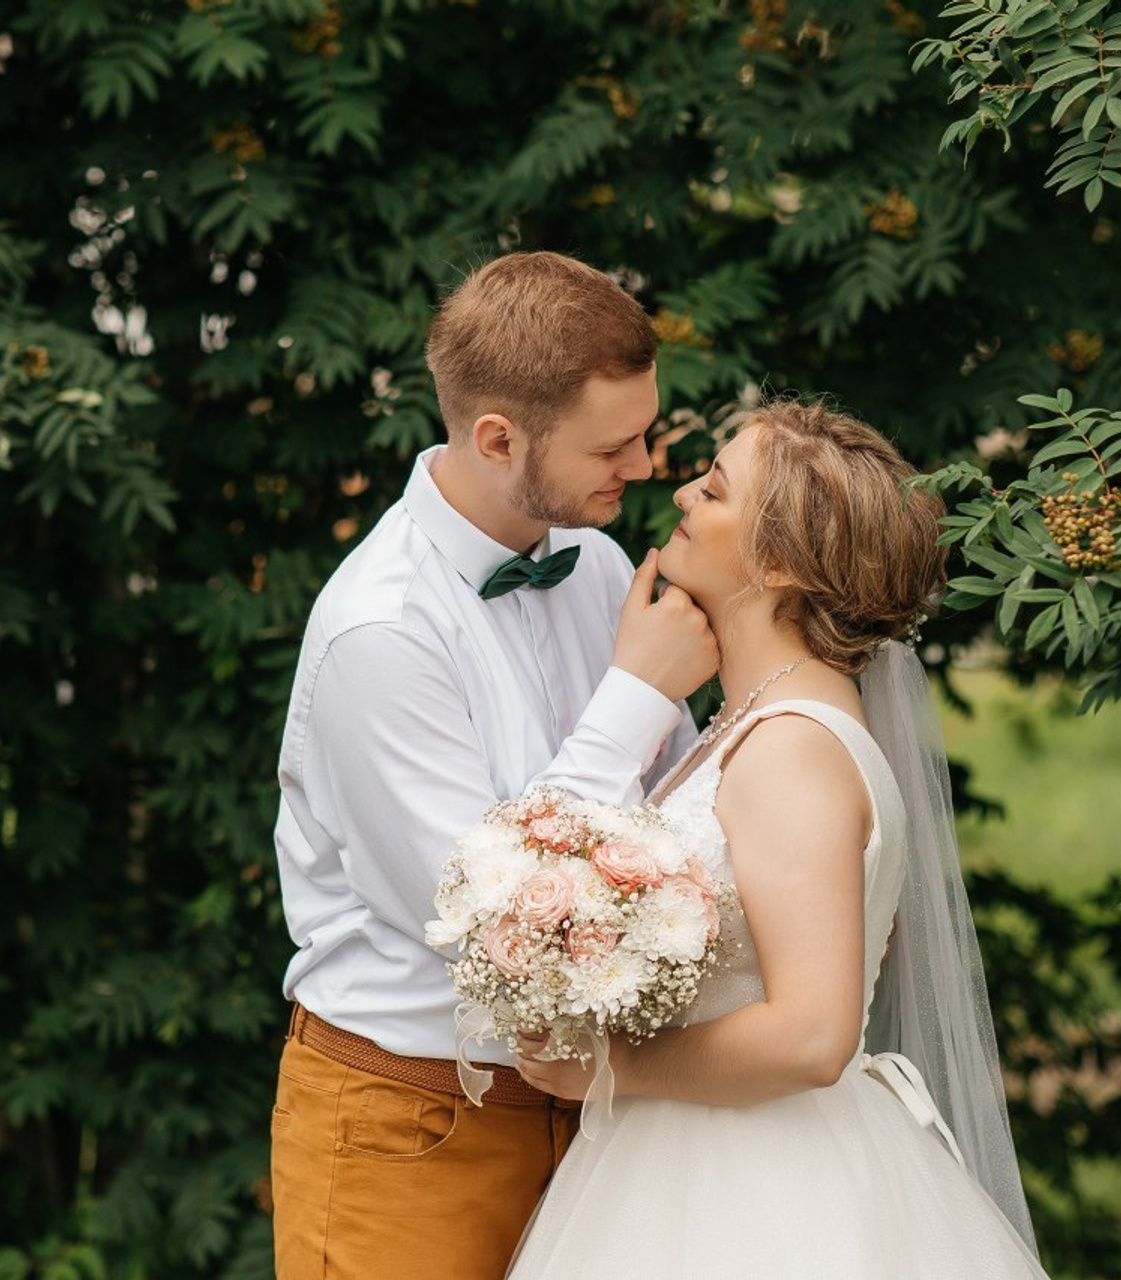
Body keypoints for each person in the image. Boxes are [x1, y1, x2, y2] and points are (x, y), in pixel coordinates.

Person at [507, 400, 1050, 1278]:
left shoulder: (791, 750)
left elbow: (812, 1034)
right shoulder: (755, 725)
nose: (682, 494)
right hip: (699, 1155)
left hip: (752, 1191)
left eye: (714, 491)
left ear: (779, 561)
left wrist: (611, 1064)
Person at [268, 251, 712, 1280]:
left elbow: (671, 827)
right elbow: (497, 926)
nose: (644, 467)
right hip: (412, 1120)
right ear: (496, 437)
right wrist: (636, 696)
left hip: (605, 1118)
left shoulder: (597, 562)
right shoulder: (376, 631)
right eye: (615, 443)